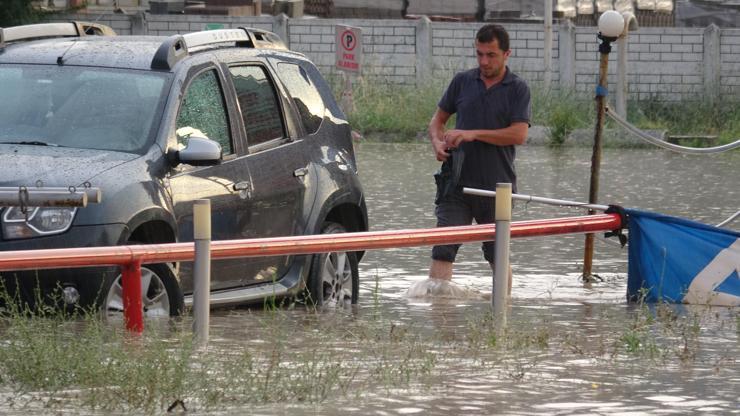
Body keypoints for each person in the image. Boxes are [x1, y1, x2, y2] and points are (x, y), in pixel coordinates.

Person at [419, 24, 531, 296]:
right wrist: (436, 141)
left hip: (497, 187)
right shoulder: (462, 81)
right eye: (479, 54)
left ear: (507, 54)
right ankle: (440, 319)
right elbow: (438, 121)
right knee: (443, 247)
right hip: (456, 183)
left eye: (491, 55)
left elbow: (519, 134)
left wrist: (472, 134)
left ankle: (501, 317)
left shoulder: (517, 89)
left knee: (497, 253)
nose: (484, 61)